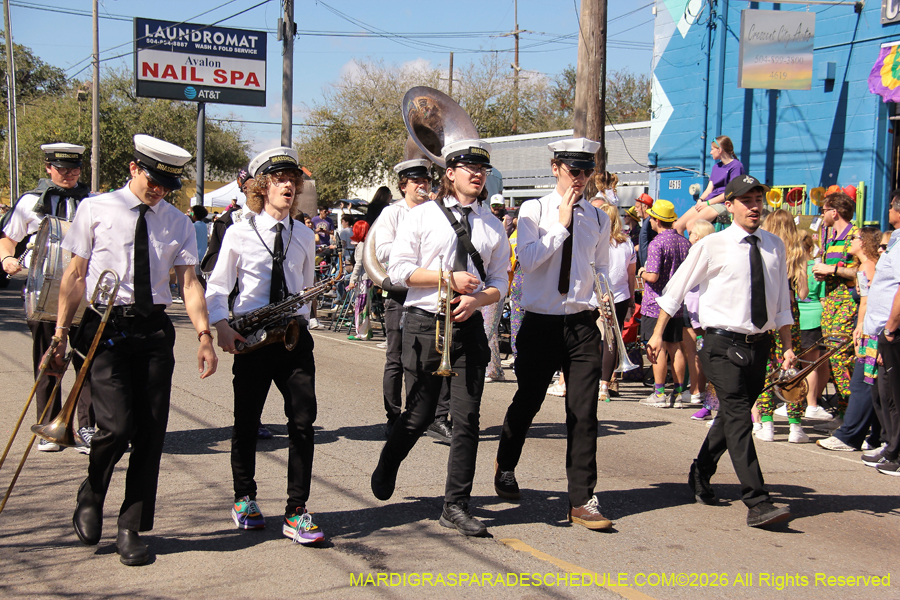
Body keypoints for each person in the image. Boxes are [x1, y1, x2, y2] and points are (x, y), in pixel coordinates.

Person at [49, 134, 218, 565]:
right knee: (117, 426)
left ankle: (130, 525)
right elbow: (75, 274)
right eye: (153, 179)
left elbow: (189, 283)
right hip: (104, 327)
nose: (158, 188)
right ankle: (92, 490)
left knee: (150, 432)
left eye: (166, 183)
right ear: (133, 168)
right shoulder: (95, 208)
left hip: (153, 331)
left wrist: (203, 335)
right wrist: (60, 332)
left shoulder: (178, 222)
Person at [371, 139, 510, 537]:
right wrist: (447, 279)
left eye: (482, 168)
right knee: (417, 416)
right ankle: (389, 461)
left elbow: (501, 279)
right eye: (468, 167)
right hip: (424, 321)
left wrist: (479, 298)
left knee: (467, 421)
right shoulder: (421, 217)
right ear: (450, 173)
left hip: (467, 327)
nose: (477, 174)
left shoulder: (492, 225)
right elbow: (397, 271)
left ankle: (456, 505)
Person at [648, 174, 796, 528]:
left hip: (760, 345)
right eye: (746, 200)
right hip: (720, 345)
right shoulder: (711, 245)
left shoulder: (775, 245)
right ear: (728, 206)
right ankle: (757, 501)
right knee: (739, 415)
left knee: (733, 416)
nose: (755, 206)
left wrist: (788, 346)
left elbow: (781, 304)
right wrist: (656, 334)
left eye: (759, 199)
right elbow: (675, 289)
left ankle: (700, 472)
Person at [494, 137, 615, 531]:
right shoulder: (535, 210)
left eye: (587, 171)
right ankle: (506, 462)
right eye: (573, 170)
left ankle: (581, 499)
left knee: (584, 413)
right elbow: (526, 262)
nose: (580, 179)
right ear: (555, 168)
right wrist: (561, 227)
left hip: (581, 323)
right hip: (541, 320)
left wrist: (606, 302)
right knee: (528, 400)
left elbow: (599, 267)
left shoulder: (598, 217)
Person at [206, 147, 325, 545]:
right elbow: (218, 287)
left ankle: (297, 510)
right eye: (279, 179)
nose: (288, 185)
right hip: (252, 339)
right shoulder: (239, 232)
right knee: (245, 422)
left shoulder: (305, 234)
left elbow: (306, 289)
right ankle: (244, 497)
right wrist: (221, 327)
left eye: (293, 179)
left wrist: (299, 319)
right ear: (262, 187)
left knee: (303, 422)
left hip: (292, 338)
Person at [0, 143, 95, 453]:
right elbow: (8, 238)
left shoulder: (93, 202)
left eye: (74, 170)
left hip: (83, 288)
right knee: (49, 357)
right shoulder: (30, 201)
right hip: (43, 290)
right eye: (62, 169)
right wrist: (7, 260)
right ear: (48, 168)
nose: (68, 175)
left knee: (86, 359)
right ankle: (49, 425)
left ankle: (86, 426)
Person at [372, 158, 442, 438]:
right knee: (396, 357)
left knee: (424, 358)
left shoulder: (436, 211)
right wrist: (411, 243)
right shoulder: (392, 213)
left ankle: (424, 415)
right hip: (400, 291)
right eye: (417, 181)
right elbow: (382, 251)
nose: (423, 186)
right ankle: (394, 415)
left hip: (428, 291)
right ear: (404, 186)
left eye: (426, 181)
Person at [818, 226, 886, 452]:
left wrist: (860, 327)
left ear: (864, 242)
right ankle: (875, 437)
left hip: (869, 332)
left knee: (862, 383)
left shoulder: (867, 266)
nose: (850, 242)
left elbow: (868, 301)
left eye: (855, 238)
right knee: (871, 385)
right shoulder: (865, 266)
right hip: (868, 328)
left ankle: (850, 436)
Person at [754, 210, 810, 444]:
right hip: (790, 314)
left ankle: (767, 424)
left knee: (767, 367)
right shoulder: (797, 252)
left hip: (766, 312)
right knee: (791, 368)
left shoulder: (765, 247)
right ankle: (795, 426)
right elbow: (803, 292)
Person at [854, 194, 900, 475]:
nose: (889, 209)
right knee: (882, 394)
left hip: (891, 330)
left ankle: (896, 452)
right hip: (881, 329)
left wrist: (891, 329)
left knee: (893, 396)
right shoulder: (894, 239)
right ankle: (890, 444)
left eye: (892, 205)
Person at [811, 192, 860, 428]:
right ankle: (843, 414)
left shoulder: (855, 236)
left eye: (824, 210)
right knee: (834, 358)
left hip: (847, 304)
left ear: (835, 212)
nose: (822, 215)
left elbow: (858, 272)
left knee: (841, 358)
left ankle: (852, 415)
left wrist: (830, 270)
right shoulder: (830, 238)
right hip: (830, 304)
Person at [639, 199, 691, 408]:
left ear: (657, 220)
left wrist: (642, 271)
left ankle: (659, 392)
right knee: (675, 347)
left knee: (656, 348)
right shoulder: (684, 242)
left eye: (651, 217)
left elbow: (652, 276)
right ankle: (679, 393)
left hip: (655, 304)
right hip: (676, 304)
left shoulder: (657, 243)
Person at [597, 203, 635, 401]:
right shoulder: (627, 243)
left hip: (598, 295)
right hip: (620, 296)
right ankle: (605, 384)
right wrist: (631, 298)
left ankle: (597, 381)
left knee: (597, 339)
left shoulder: (598, 241)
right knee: (611, 340)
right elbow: (631, 274)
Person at [795, 230, 832, 419]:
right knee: (815, 364)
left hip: (798, 318)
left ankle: (802, 402)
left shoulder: (793, 267)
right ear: (810, 247)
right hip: (815, 318)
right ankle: (813, 402)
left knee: (801, 364)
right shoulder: (817, 267)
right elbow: (823, 298)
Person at [674, 135, 745, 235]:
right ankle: (685, 250)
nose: (710, 152)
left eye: (712, 149)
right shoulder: (716, 167)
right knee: (677, 226)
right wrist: (700, 200)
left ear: (720, 150)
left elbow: (729, 193)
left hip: (723, 204)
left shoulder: (736, 166)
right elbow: (709, 189)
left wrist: (707, 203)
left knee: (691, 224)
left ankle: (698, 250)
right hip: (708, 202)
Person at [347, 219, 373, 341]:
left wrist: (352, 279)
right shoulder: (368, 244)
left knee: (361, 306)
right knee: (366, 306)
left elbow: (358, 264)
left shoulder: (361, 246)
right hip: (368, 279)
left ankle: (362, 332)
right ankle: (366, 331)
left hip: (363, 279)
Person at [636, 193, 656, 266]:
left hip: (649, 265)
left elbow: (655, 243)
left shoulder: (650, 223)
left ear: (645, 207)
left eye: (637, 207)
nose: (635, 209)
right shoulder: (646, 222)